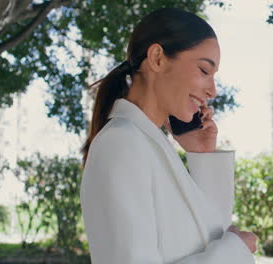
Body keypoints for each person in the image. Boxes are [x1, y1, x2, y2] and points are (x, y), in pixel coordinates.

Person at [79, 7, 258, 263]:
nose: (213, 91)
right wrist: (235, 252)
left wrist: (202, 155)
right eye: (204, 71)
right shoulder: (121, 144)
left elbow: (210, 238)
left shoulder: (148, 145)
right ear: (158, 58)